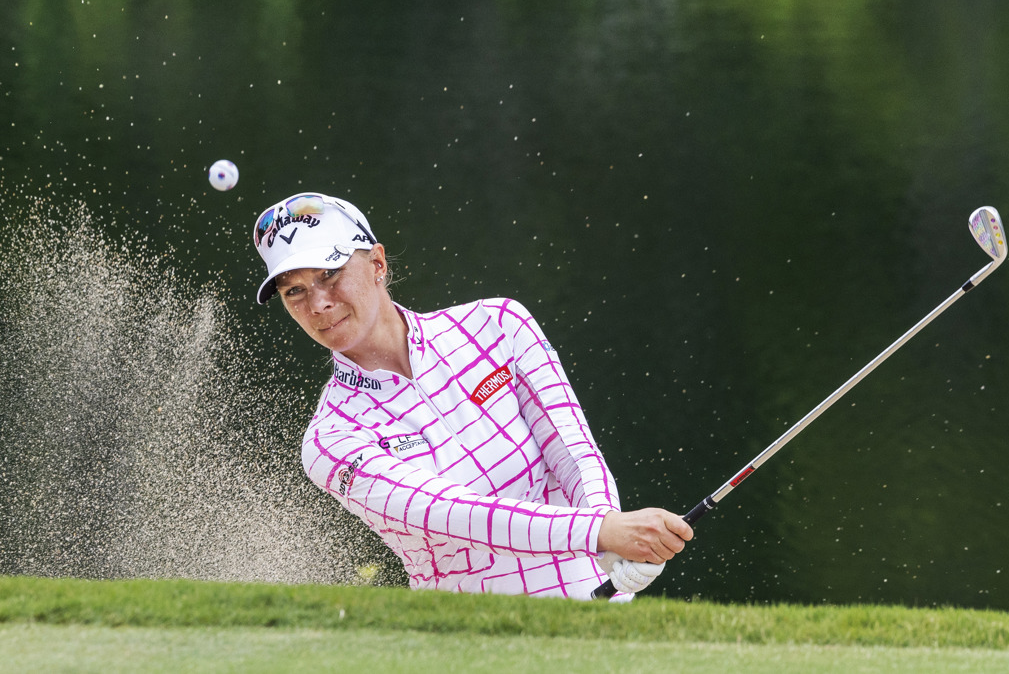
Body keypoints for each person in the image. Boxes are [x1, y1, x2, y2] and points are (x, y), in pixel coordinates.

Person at [252, 192, 692, 600]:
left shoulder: (498, 325)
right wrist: (601, 531)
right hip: (469, 635)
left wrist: (611, 537)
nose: (318, 304)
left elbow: (572, 450)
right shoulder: (330, 438)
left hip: (598, 608)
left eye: (330, 273)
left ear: (377, 264)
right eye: (295, 291)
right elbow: (453, 513)